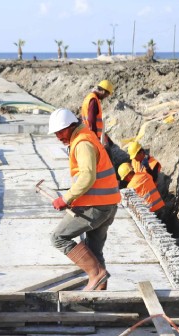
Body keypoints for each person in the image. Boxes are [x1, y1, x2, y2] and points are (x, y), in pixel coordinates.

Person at [48, 108, 121, 291]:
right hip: (108, 204)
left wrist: (66, 198)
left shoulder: (82, 143)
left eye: (60, 132)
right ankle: (99, 291)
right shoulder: (85, 136)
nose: (58, 137)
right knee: (94, 251)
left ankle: (96, 275)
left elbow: (87, 177)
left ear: (71, 126)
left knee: (59, 237)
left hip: (95, 206)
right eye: (56, 133)